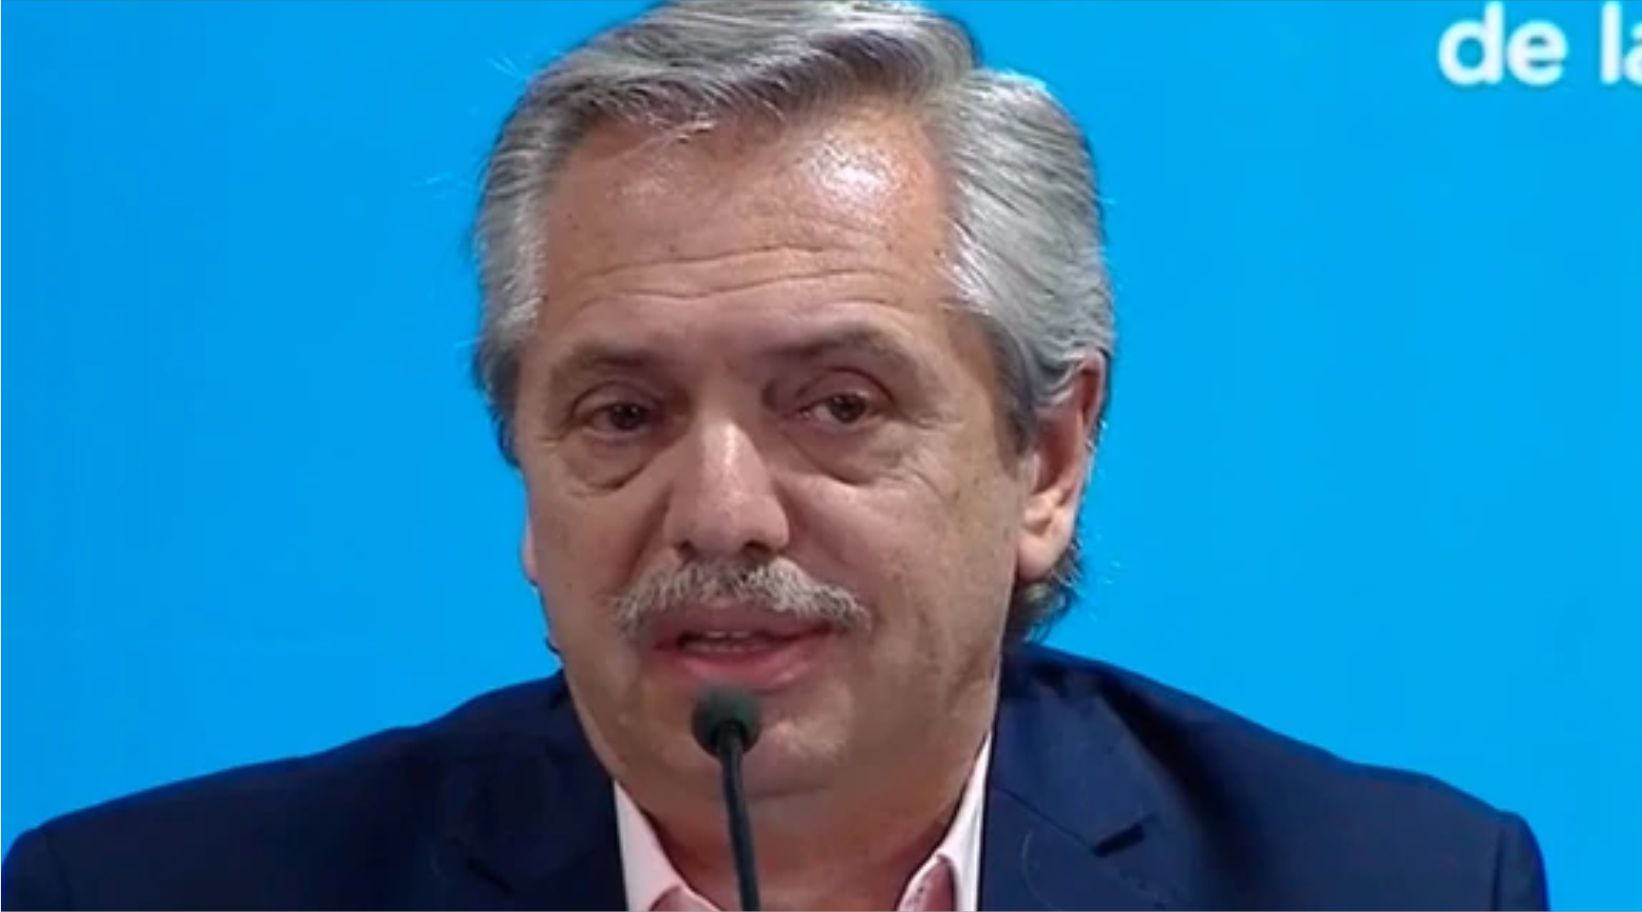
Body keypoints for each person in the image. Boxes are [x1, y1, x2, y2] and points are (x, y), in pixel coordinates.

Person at [2, 1, 1549, 909]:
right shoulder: (150, 894)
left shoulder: (1387, 886)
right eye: (622, 415)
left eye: (837, 405)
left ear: (1044, 460)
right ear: (526, 475)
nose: (721, 511)